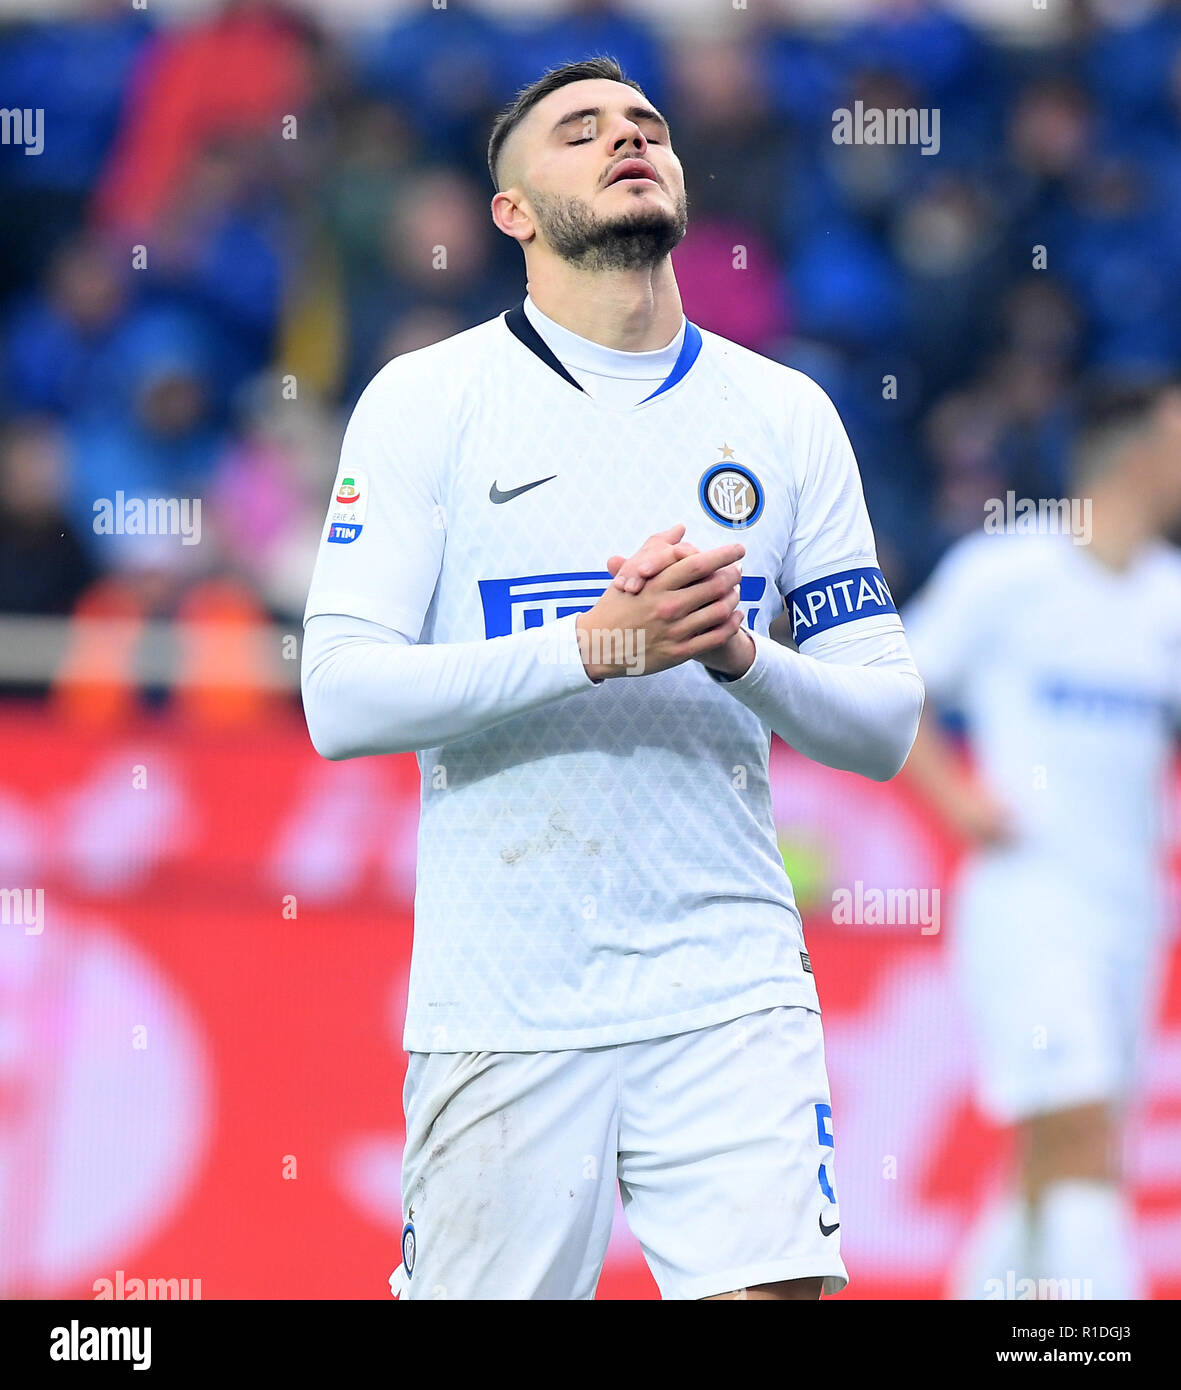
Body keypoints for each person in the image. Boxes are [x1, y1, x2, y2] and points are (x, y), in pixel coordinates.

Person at [301, 57, 923, 1301]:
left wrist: (739, 655)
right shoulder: (429, 401)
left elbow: (884, 724)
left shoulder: (784, 411)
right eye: (578, 131)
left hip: (727, 982)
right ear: (513, 211)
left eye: (645, 124)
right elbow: (340, 697)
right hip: (505, 996)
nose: (625, 139)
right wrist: (595, 647)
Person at [902, 383, 1181, 1299]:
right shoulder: (1008, 571)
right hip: (1030, 900)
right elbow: (894, 688)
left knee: (1049, 1153)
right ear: (1131, 452)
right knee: (1078, 1131)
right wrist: (956, 797)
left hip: (1128, 913)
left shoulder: (1166, 597)